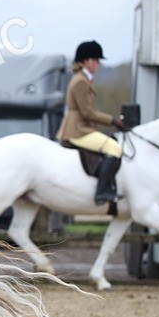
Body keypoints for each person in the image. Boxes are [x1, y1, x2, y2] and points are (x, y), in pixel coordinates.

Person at [57, 40, 126, 205]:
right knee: (114, 148)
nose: (98, 63)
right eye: (96, 60)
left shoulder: (84, 79)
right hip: (78, 129)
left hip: (81, 126)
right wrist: (112, 120)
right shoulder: (81, 81)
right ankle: (102, 191)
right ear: (85, 61)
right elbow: (87, 112)